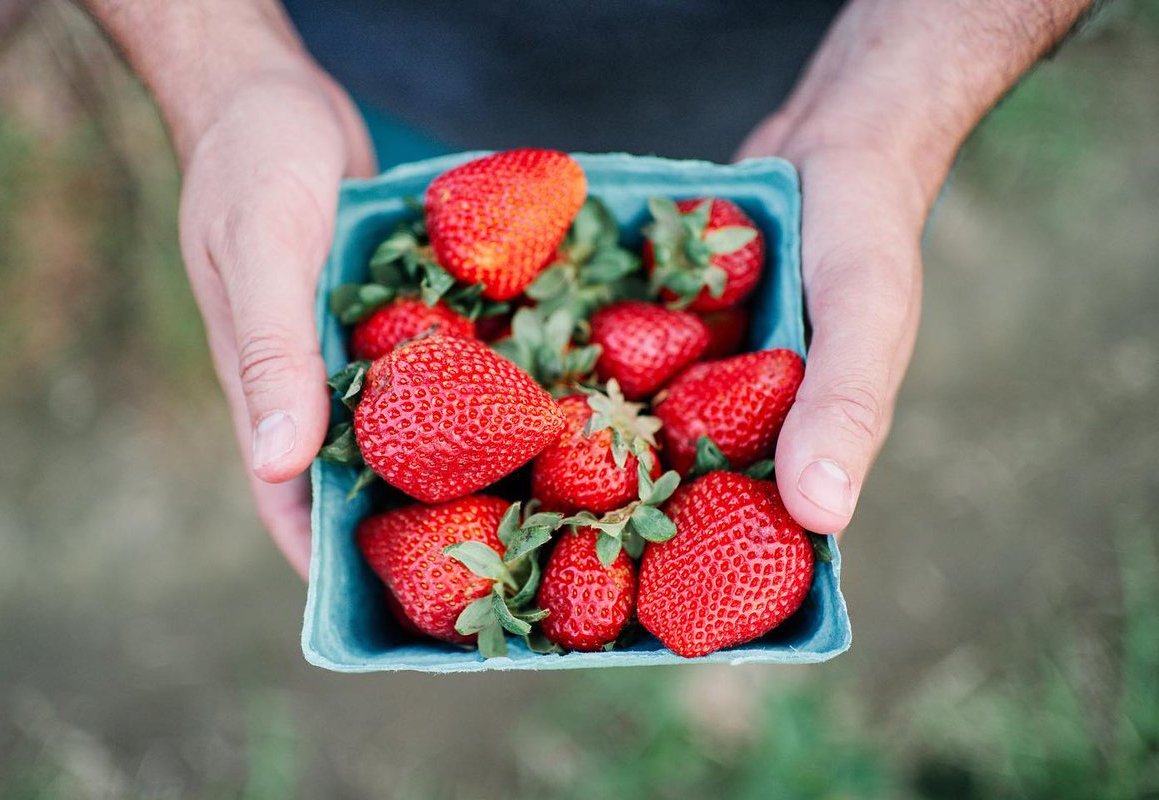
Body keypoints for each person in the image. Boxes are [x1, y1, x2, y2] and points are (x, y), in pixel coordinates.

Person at [80, 0, 1094, 578]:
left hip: (834, 75)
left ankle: (707, 665)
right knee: (392, 240)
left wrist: (905, 102)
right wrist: (221, 66)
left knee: (824, 308)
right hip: (355, 76)